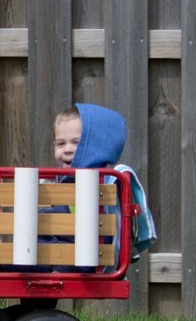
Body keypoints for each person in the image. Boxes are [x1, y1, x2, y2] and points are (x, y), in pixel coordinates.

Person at [46, 103, 156, 259]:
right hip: (57, 247)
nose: (67, 149)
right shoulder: (53, 179)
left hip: (90, 254)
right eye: (61, 143)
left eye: (77, 143)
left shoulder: (106, 181)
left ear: (96, 146)